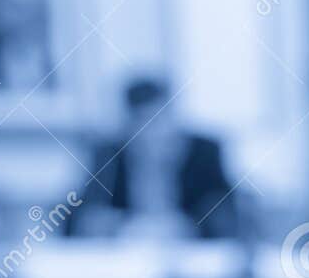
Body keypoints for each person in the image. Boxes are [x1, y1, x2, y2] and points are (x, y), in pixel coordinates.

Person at [69, 75, 238, 240]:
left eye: (158, 119)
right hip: (126, 250)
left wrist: (190, 227)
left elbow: (225, 213)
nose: (151, 132)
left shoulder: (204, 152)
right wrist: (116, 225)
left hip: (192, 250)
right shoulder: (108, 155)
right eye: (141, 121)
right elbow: (80, 216)